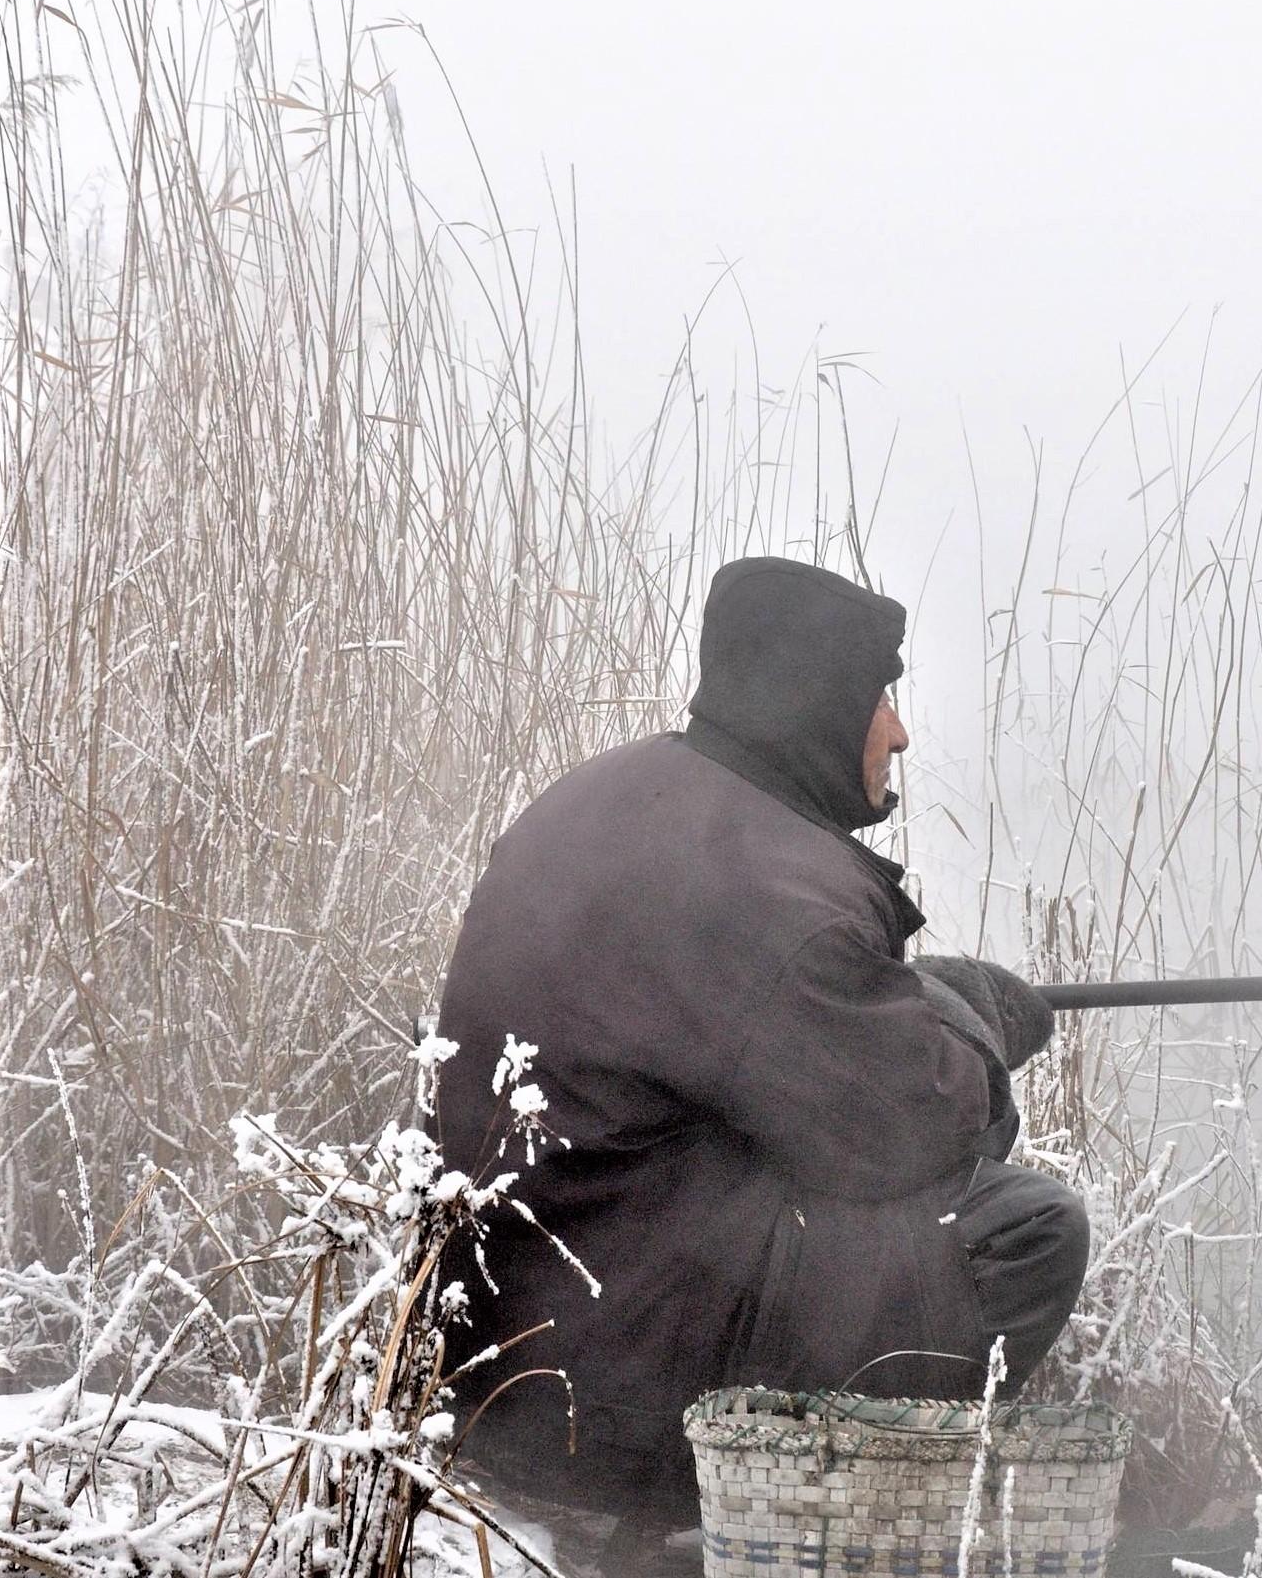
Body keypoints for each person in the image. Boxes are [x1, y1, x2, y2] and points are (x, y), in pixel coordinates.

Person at [430, 557, 1089, 1569]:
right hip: (604, 1395)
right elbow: (921, 1131)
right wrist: (974, 1021)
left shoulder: (607, 796)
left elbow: (737, 1029)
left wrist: (914, 993)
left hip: (498, 1340)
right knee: (1030, 1226)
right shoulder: (775, 890)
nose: (899, 732)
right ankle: (771, 1518)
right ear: (820, 701)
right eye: (880, 697)